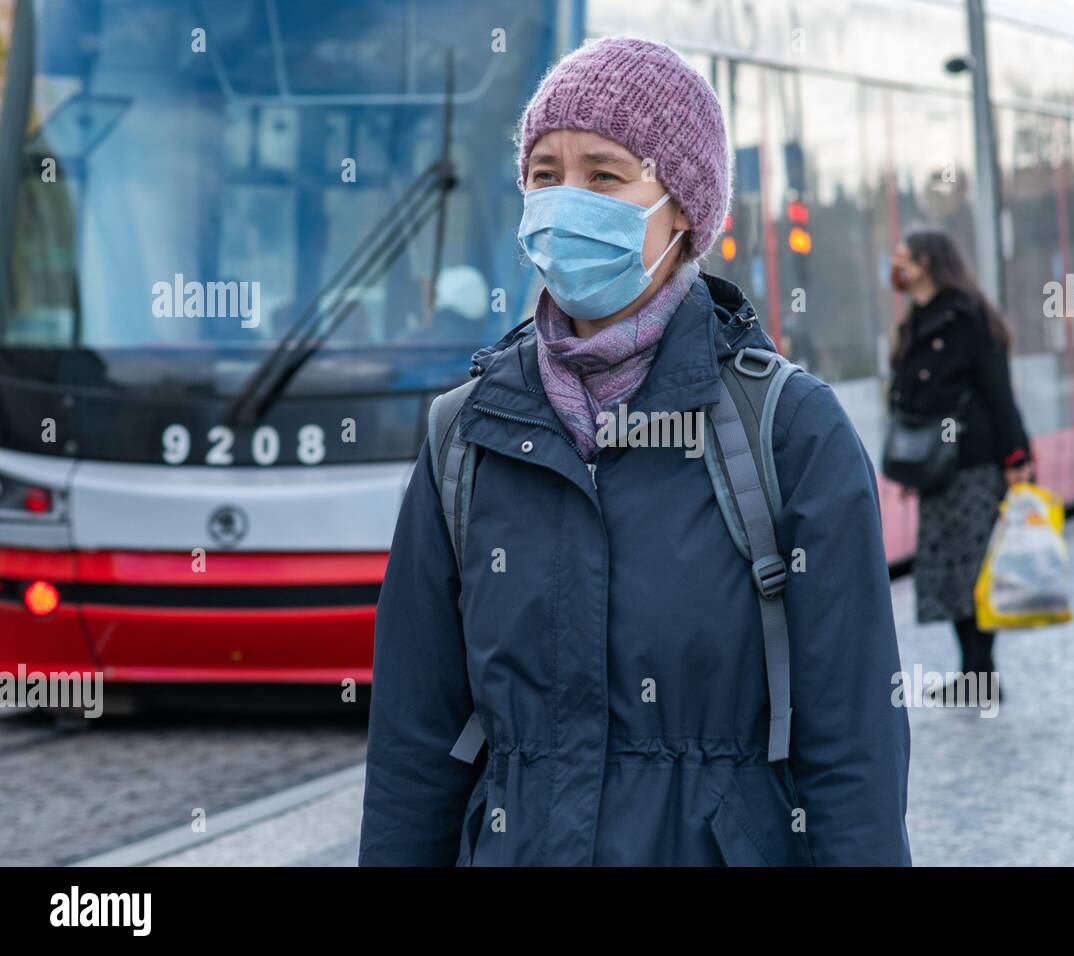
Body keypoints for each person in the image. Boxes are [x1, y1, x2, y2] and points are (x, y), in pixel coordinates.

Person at [359, 36, 911, 866]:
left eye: (605, 175)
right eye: (545, 175)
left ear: (682, 208)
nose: (565, 200)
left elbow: (853, 745)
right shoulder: (463, 435)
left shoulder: (790, 431)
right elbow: (414, 743)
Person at [888, 228, 1033, 706]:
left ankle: (983, 674)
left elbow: (998, 392)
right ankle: (972, 673)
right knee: (948, 570)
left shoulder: (968, 317)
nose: (897, 265)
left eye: (904, 257)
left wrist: (1016, 458)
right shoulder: (917, 319)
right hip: (937, 466)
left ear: (928, 262)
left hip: (974, 460)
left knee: (975, 572)